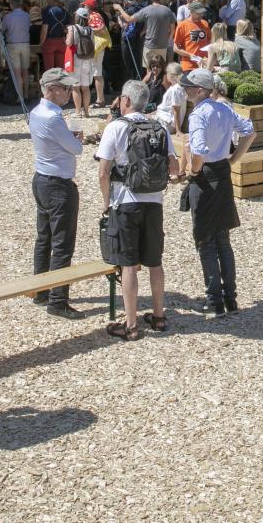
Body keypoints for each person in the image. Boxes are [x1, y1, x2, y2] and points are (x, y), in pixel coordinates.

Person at [98, 80, 180, 341]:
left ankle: (131, 325)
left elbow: (103, 172)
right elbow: (175, 168)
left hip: (125, 201)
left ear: (125, 100)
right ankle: (158, 316)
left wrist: (106, 202)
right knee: (155, 262)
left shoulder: (116, 128)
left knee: (129, 264)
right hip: (154, 202)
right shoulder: (160, 128)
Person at [180, 69, 255, 316]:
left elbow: (198, 149)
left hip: (206, 176)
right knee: (223, 239)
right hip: (222, 171)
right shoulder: (224, 109)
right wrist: (233, 159)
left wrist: (192, 171)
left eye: (189, 87)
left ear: (199, 90)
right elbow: (250, 131)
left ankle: (214, 301)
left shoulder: (198, 114)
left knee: (205, 239)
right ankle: (230, 298)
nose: (185, 90)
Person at [27, 69, 84, 319]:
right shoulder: (53, 117)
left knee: (44, 238)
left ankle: (41, 290)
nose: (69, 94)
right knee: (62, 243)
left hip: (42, 179)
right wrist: (76, 140)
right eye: (65, 89)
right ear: (51, 89)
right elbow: (76, 148)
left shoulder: (36, 113)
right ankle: (58, 300)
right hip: (58, 185)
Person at [128, 0, 175, 64]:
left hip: (150, 45)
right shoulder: (167, 11)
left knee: (149, 69)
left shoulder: (146, 10)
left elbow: (129, 19)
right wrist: (168, 40)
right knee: (160, 68)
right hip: (162, 45)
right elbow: (173, 29)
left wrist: (119, 8)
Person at [65, 7, 97, 116]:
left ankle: (78, 111)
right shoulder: (90, 30)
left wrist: (68, 33)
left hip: (76, 60)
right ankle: (87, 111)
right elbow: (93, 44)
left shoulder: (73, 28)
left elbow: (69, 43)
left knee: (75, 87)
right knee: (86, 87)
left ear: (77, 17)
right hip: (88, 60)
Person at [3, 0, 34, 100]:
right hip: (25, 44)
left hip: (12, 45)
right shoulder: (27, 16)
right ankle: (26, 94)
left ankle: (20, 98)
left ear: (11, 5)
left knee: (17, 73)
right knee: (25, 71)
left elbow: (2, 30)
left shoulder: (8, 17)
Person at [39, 0, 71, 77]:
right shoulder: (64, 11)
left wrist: (41, 42)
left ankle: (51, 88)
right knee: (60, 70)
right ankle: (60, 88)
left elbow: (44, 29)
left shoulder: (47, 11)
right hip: (61, 42)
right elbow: (68, 30)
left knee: (49, 70)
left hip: (49, 42)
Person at [173, 2, 212, 72]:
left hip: (204, 65)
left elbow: (209, 42)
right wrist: (189, 55)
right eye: (198, 13)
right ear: (191, 12)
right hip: (189, 66)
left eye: (202, 13)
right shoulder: (182, 25)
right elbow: (175, 48)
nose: (201, 15)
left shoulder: (205, 23)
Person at [153, 63, 187, 135]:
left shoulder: (176, 89)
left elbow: (176, 111)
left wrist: (178, 130)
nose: (166, 75)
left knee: (140, 119)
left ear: (172, 75)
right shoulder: (174, 87)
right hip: (165, 119)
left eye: (167, 73)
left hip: (168, 124)